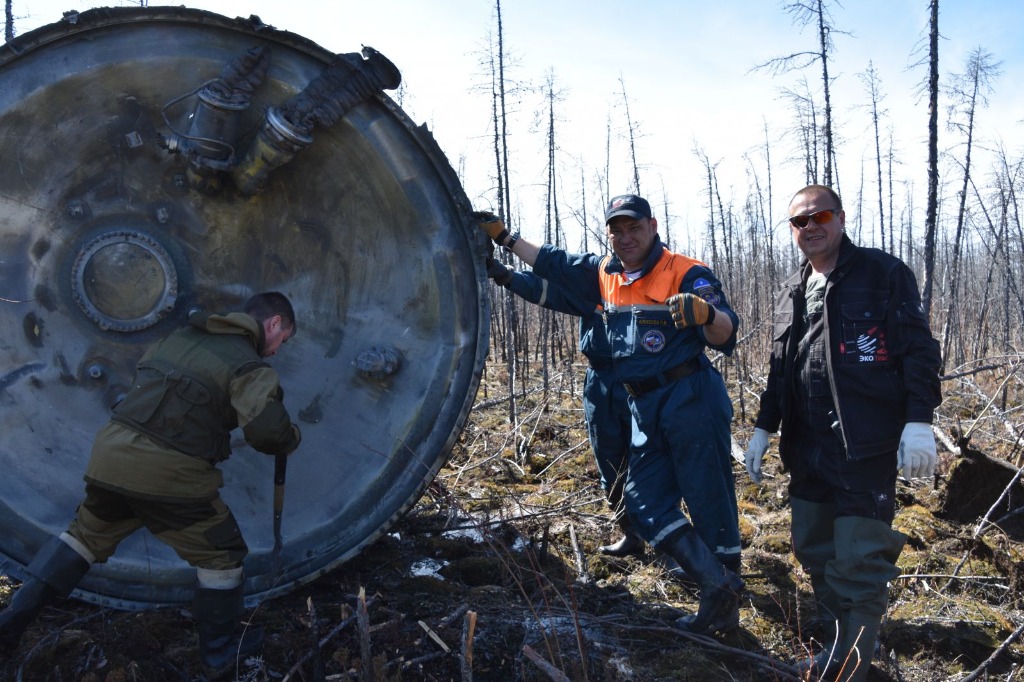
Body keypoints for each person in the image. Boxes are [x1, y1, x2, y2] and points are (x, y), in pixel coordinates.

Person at [477, 195, 744, 635]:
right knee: (639, 499)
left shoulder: (685, 272)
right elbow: (553, 264)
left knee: (707, 495)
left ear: (653, 226)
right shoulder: (605, 273)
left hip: (689, 397)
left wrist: (707, 313)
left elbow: (726, 329)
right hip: (642, 403)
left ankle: (723, 609)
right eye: (616, 231)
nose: (626, 238)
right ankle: (718, 583)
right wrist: (505, 239)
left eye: (634, 228)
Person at [0, 292, 302, 679]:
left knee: (85, 537)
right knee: (221, 556)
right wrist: (289, 436)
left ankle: (14, 620)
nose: (277, 351)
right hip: (169, 473)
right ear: (273, 323)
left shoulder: (179, 338)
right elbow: (266, 433)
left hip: (111, 455)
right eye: (284, 340)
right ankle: (221, 655)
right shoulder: (248, 365)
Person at [743, 185, 941, 681]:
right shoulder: (794, 287)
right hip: (806, 446)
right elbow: (779, 367)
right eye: (799, 222)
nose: (810, 227)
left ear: (841, 218)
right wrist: (765, 428)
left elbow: (918, 349)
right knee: (813, 548)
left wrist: (920, 419)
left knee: (859, 559)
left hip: (864, 443)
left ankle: (853, 666)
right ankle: (840, 644)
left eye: (820, 216)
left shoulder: (882, 274)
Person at [483, 254, 643, 557]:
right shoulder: (598, 282)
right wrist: (506, 276)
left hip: (642, 383)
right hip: (601, 383)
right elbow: (549, 292)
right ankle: (631, 533)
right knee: (609, 464)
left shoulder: (656, 284)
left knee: (650, 465)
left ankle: (666, 543)